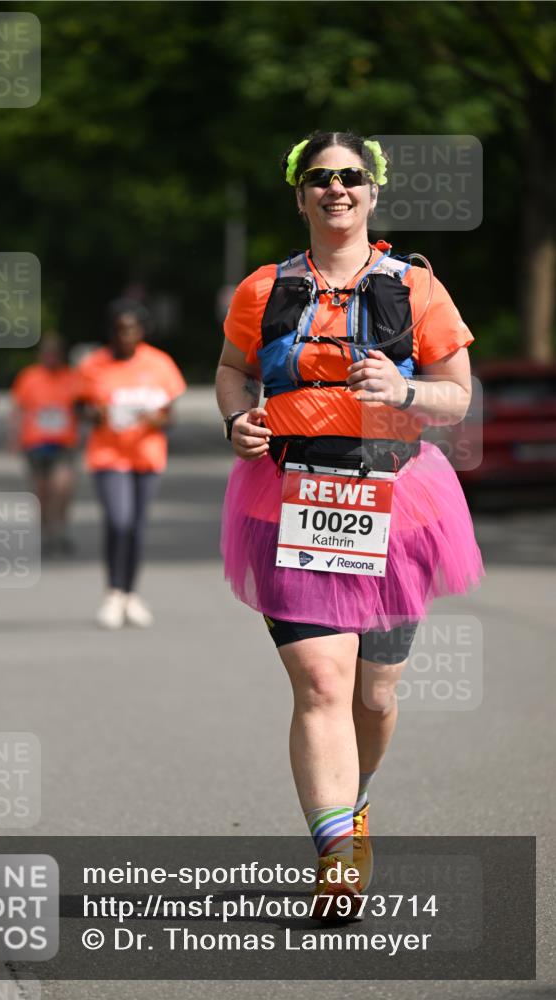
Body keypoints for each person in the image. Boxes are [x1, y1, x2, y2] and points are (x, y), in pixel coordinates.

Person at [215, 131, 483, 921]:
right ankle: (336, 857)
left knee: (373, 692)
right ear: (299, 195)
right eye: (320, 179)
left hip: (397, 504)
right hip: (288, 499)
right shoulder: (262, 289)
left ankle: (355, 799)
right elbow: (232, 370)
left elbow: (456, 395)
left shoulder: (416, 288)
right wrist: (237, 421)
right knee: (321, 684)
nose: (336, 190)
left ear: (373, 193)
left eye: (351, 178)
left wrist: (402, 395)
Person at [79, 300, 186, 629]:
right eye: (121, 329)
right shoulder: (94, 365)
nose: (127, 335)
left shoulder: (159, 363)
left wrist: (156, 418)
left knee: (137, 528)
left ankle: (129, 593)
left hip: (147, 454)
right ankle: (113, 591)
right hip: (109, 455)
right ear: (112, 331)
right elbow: (80, 408)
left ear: (142, 330)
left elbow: (170, 415)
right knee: (119, 520)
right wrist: (94, 414)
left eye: (133, 328)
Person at [10, 332, 82, 555]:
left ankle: (61, 528)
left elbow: (83, 408)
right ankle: (45, 531)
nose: (51, 358)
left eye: (55, 354)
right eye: (47, 354)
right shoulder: (29, 377)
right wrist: (14, 437)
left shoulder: (72, 378)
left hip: (64, 443)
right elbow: (18, 409)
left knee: (62, 488)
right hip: (35, 443)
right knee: (41, 491)